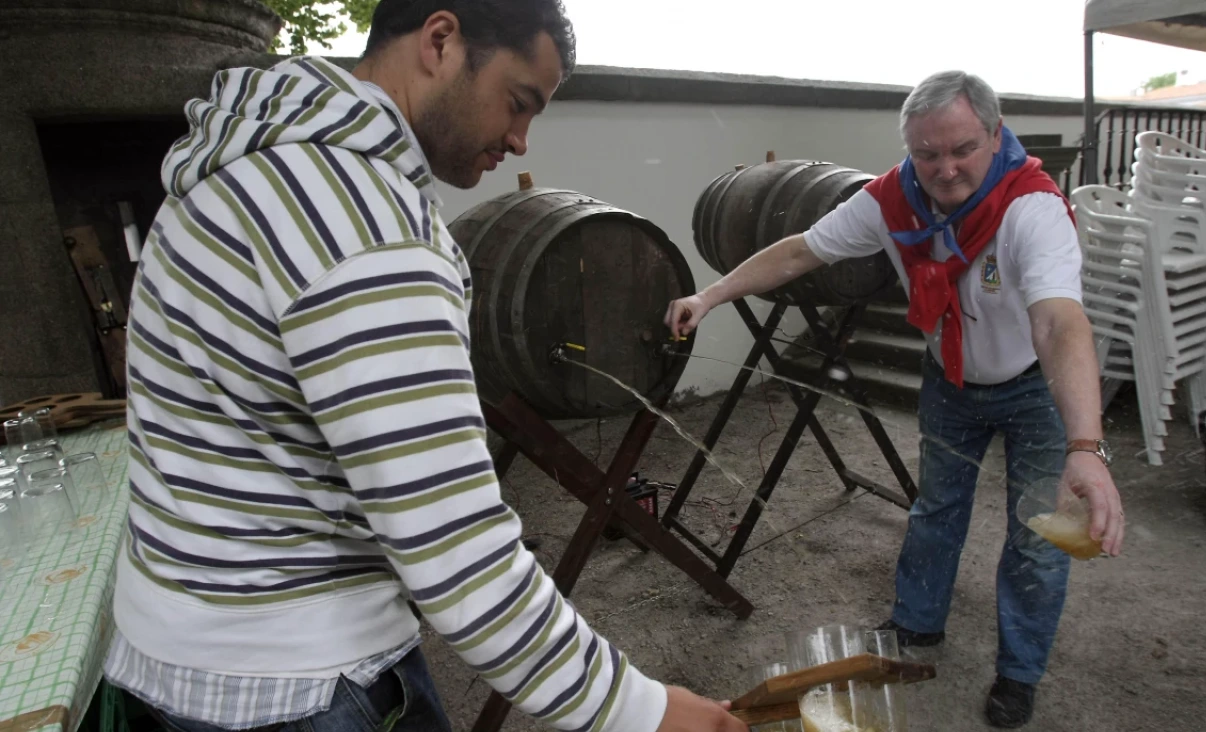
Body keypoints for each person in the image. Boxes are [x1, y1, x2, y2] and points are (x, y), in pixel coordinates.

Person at [105, 3, 747, 732]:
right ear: (441, 41)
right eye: (517, 102)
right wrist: (643, 710)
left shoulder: (239, 169)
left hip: (169, 654)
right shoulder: (364, 224)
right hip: (301, 685)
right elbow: (456, 550)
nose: (519, 137)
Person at [665, 71, 1126, 729]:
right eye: (926, 153)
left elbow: (1058, 323)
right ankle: (917, 626)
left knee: (1036, 539)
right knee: (936, 506)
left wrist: (1086, 445)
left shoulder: (1032, 208)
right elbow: (801, 252)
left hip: (1034, 388)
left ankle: (1019, 673)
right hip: (949, 378)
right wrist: (710, 296)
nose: (943, 169)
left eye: (962, 148)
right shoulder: (891, 200)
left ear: (995, 137)